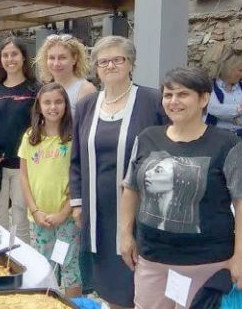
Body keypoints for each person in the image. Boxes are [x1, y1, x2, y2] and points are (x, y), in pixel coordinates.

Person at [121, 67, 242, 308]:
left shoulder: (228, 145)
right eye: (168, 94)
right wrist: (125, 235)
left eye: (183, 94)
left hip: (206, 263)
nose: (174, 101)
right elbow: (131, 188)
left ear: (204, 98)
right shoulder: (147, 138)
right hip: (153, 258)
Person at [69, 36, 166, 308]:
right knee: (111, 287)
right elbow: (76, 158)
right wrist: (77, 202)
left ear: (130, 64)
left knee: (141, 281)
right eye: (103, 61)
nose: (110, 65)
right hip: (98, 211)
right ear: (96, 68)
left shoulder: (152, 100)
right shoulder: (87, 105)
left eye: (117, 59)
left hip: (142, 210)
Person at [19, 83, 81, 297]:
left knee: (70, 266)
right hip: (39, 217)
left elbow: (78, 178)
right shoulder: (30, 137)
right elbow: (24, 177)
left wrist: (64, 212)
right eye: (47, 102)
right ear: (39, 106)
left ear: (65, 105)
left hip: (67, 217)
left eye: (58, 101)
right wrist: (35, 211)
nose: (53, 107)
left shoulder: (74, 138)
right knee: (44, 267)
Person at [0, 37, 38, 241]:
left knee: (21, 218)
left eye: (14, 54)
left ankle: (24, 264)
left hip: (24, 166)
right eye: (5, 55)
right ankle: (1, 259)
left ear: (23, 58)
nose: (10, 59)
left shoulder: (35, 90)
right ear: (0, 60)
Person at [35, 34, 97, 116]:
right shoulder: (44, 88)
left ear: (74, 59)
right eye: (52, 58)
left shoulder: (86, 90)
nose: (56, 63)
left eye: (62, 58)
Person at [206, 48, 242, 132]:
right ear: (227, 68)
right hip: (217, 137)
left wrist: (237, 120)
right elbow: (214, 109)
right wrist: (240, 109)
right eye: (240, 70)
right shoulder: (209, 87)